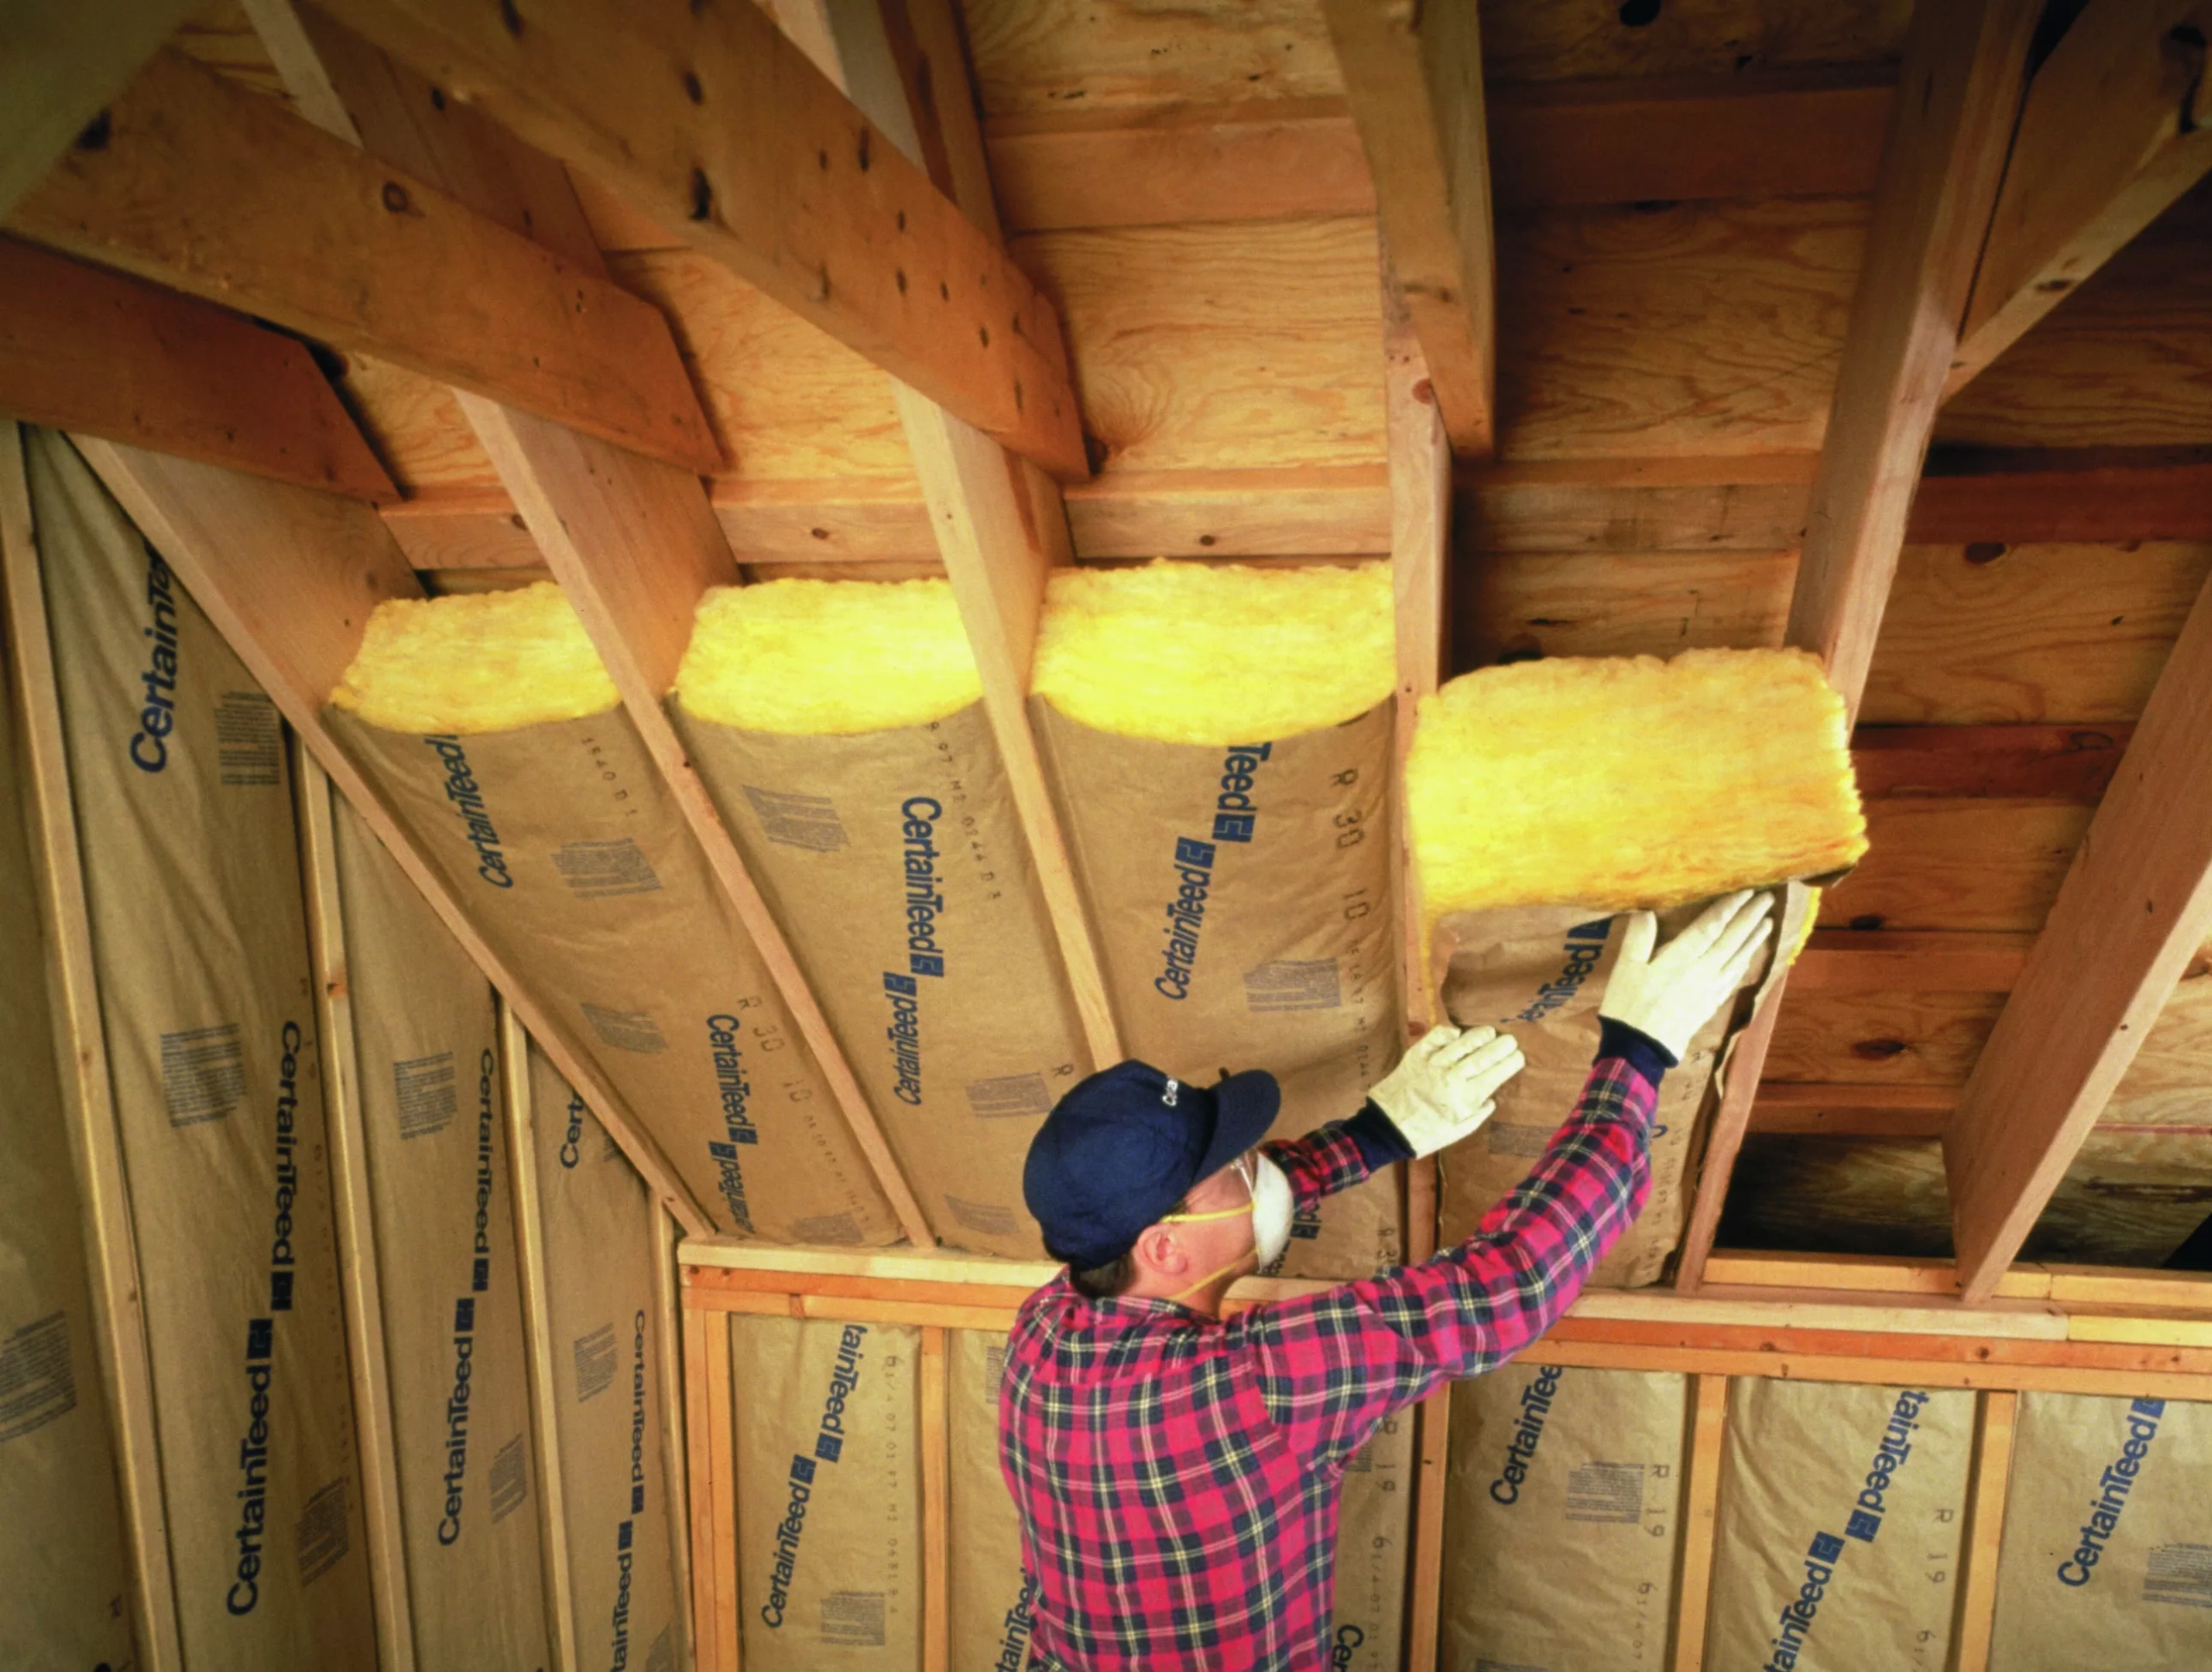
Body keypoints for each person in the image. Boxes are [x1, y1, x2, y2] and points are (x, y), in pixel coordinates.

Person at [1002, 889, 1776, 1671]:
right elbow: (1509, 1283)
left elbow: (1241, 1210)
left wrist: (1379, 1133)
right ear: (1166, 1248)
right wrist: (1638, 1051)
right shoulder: (1256, 1384)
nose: (1256, 1160)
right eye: (1233, 1164)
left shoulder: (1043, 1327)